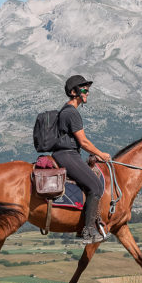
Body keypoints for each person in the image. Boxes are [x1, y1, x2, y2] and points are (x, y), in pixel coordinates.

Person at [51, 75, 112, 244]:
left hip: (66, 154)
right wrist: (101, 154)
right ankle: (88, 230)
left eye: (88, 90)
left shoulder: (67, 110)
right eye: (84, 89)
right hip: (67, 154)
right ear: (73, 92)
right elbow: (83, 142)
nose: (87, 93)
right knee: (96, 186)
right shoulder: (72, 113)